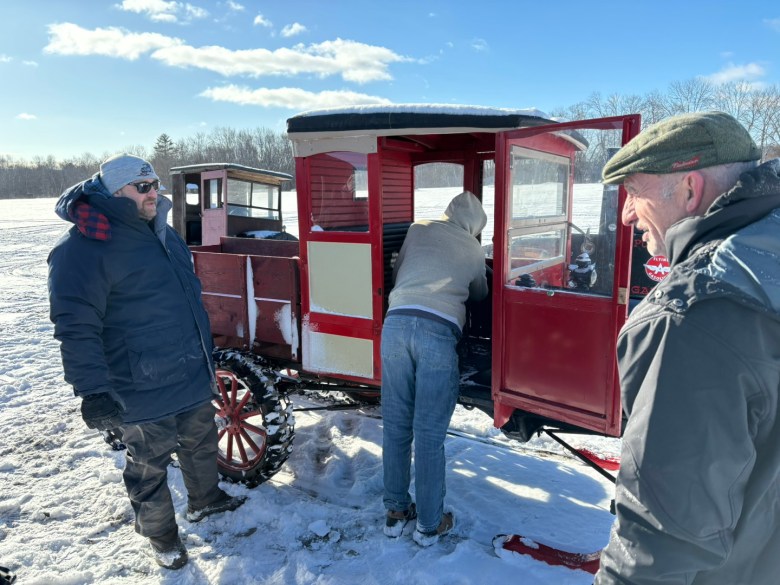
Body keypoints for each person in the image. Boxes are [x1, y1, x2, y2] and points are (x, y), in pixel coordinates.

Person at [595, 112, 780, 584]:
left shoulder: (691, 314)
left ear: (690, 191)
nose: (627, 214)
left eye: (635, 192)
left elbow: (659, 542)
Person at [47, 154, 246, 570]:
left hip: (188, 368)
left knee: (201, 441)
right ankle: (163, 538)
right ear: (116, 192)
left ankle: (205, 500)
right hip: (138, 381)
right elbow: (75, 326)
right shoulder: (83, 249)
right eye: (142, 187)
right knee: (149, 466)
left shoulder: (161, 233)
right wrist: (94, 391)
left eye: (154, 183)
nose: (153, 192)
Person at [381, 190, 489, 546]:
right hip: (437, 333)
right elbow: (479, 295)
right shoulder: (473, 248)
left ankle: (396, 513)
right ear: (475, 226)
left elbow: (398, 272)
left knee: (396, 423)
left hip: (395, 325)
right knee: (428, 433)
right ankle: (429, 524)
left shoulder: (418, 228)